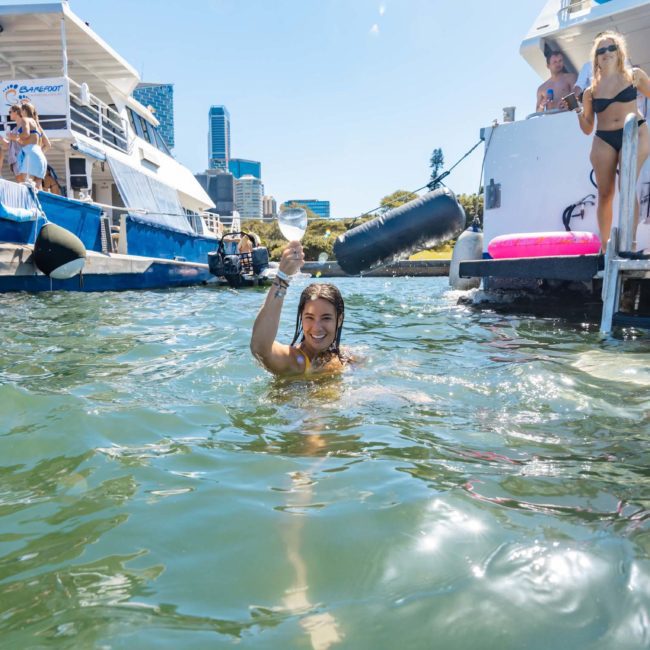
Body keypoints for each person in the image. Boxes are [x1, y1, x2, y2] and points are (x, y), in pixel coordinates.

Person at [573, 31, 650, 252]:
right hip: (604, 138)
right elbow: (587, 128)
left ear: (620, 52)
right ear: (595, 58)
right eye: (601, 50)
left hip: (634, 131)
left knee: (626, 186)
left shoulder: (634, 76)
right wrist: (578, 109)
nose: (606, 53)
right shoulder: (590, 92)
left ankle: (630, 244)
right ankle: (605, 249)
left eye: (611, 48)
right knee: (605, 193)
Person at [250, 241, 348, 376]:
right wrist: (282, 278)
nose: (317, 327)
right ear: (301, 317)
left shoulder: (345, 357)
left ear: (339, 320)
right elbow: (260, 349)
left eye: (326, 318)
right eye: (309, 317)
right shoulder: (293, 362)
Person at [10, 102, 48, 189]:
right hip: (40, 156)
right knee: (38, 187)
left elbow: (26, 134)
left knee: (25, 185)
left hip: (30, 154)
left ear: (23, 110)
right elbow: (48, 144)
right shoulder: (37, 125)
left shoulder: (25, 120)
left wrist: (14, 136)